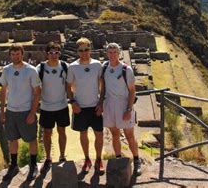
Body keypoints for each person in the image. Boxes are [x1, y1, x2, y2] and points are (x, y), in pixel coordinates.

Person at [0, 44, 41, 181]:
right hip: (11, 111)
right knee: (12, 139)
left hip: (25, 111)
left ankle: (33, 165)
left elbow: (37, 92)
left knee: (31, 139)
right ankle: (14, 165)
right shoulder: (6, 70)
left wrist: (32, 113)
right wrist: (2, 110)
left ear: (22, 54)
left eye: (18, 54)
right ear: (10, 55)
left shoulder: (31, 70)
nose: (15, 57)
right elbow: (3, 90)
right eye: (13, 54)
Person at [101, 42, 142, 175]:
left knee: (129, 135)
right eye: (110, 52)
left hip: (123, 105)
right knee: (115, 135)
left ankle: (136, 160)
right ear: (107, 53)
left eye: (114, 52)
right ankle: (118, 160)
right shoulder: (104, 67)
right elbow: (103, 88)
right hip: (109, 105)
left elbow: (132, 91)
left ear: (119, 53)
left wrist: (129, 110)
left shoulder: (126, 69)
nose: (112, 55)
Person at [66, 37, 105, 174]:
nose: (84, 52)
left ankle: (99, 160)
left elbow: (102, 84)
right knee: (83, 134)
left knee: (99, 135)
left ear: (90, 50)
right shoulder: (73, 67)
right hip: (80, 107)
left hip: (95, 106)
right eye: (81, 50)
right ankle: (87, 159)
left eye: (86, 49)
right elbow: (68, 86)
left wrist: (101, 103)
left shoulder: (97, 65)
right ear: (77, 51)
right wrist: (72, 102)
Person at [36, 42, 70, 172]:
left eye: (56, 52)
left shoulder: (65, 66)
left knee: (62, 131)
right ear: (47, 53)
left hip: (61, 105)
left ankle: (62, 156)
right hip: (46, 107)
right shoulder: (41, 68)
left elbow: (70, 85)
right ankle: (48, 158)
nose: (54, 55)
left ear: (59, 53)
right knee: (47, 133)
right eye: (51, 52)